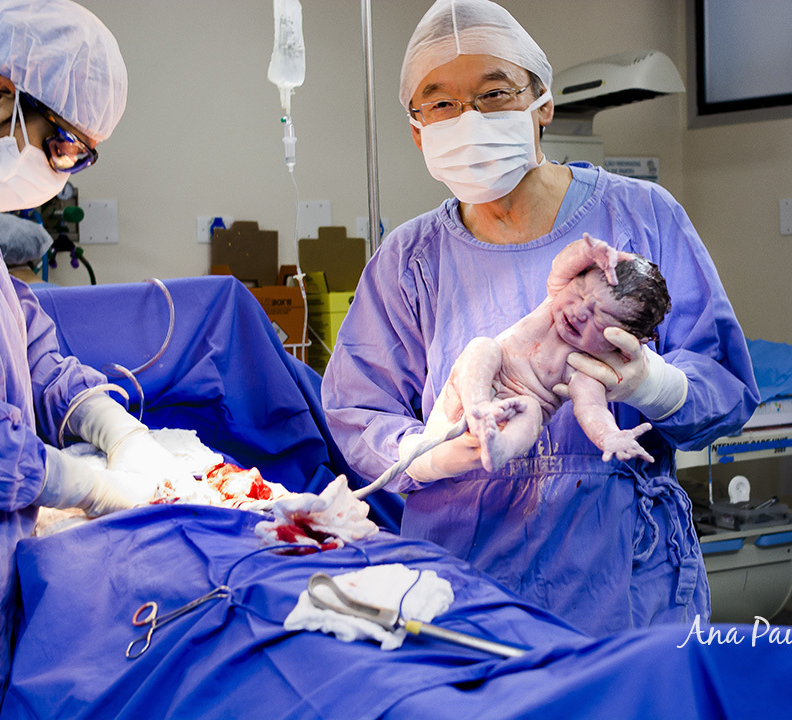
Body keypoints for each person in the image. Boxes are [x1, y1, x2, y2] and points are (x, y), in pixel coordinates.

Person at [321, 0, 758, 637]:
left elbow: (722, 381)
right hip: (461, 584)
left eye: (494, 93)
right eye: (439, 103)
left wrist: (651, 385)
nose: (466, 118)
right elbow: (358, 411)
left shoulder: (639, 219)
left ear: (542, 104)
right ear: (417, 131)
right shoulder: (408, 263)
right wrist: (431, 454)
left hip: (619, 581)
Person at [0, 2, 188, 717]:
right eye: (63, 147)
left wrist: (111, 427)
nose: (65, 171)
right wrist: (80, 482)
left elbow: (31, 350)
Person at [411, 233, 673, 474]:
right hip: (481, 382)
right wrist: (588, 252)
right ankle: (478, 408)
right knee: (483, 347)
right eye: (580, 292)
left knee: (533, 414)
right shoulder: (555, 298)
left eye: (601, 317)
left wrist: (609, 436)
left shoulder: (588, 369)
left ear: (624, 340)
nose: (580, 312)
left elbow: (592, 408)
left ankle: (499, 447)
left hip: (516, 411)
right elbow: (563, 263)